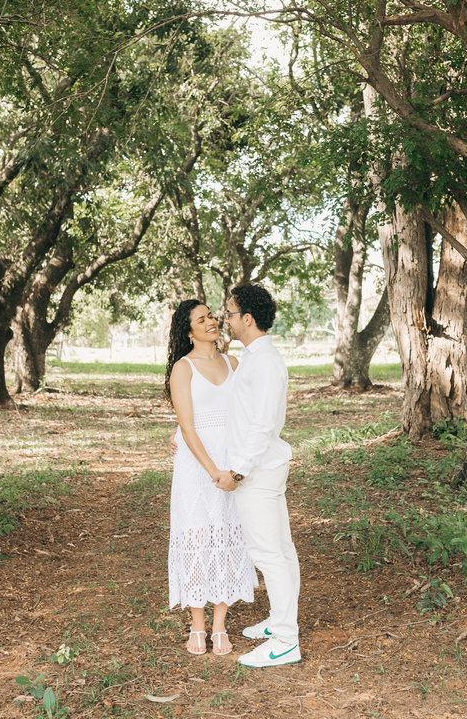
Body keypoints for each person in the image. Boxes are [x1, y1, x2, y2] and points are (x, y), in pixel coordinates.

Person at [214, 283, 302, 668]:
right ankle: (280, 621)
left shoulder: (264, 360)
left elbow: (263, 424)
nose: (226, 319)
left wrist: (238, 471)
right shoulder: (253, 356)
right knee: (280, 550)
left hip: (258, 471)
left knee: (269, 555)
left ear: (247, 319)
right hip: (263, 468)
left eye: (230, 313)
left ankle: (285, 640)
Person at [165, 299, 258, 656]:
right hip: (197, 465)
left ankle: (219, 624)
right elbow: (188, 427)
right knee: (196, 538)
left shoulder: (233, 363)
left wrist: (233, 469)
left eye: (212, 316)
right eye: (201, 319)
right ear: (188, 330)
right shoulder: (183, 368)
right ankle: (197, 624)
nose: (211, 322)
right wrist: (212, 471)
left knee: (226, 536)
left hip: (230, 460)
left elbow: (245, 414)